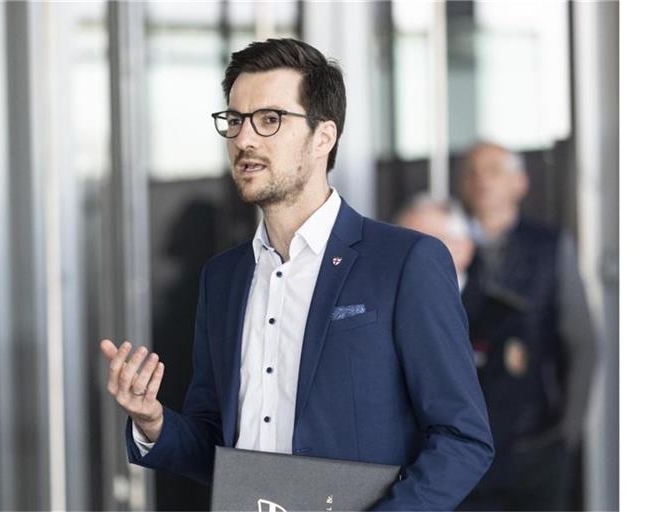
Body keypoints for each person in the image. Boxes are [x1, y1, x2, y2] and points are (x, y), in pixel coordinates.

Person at [100, 38, 494, 511]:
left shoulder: (405, 261)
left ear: (322, 137)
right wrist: (154, 423)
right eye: (236, 120)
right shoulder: (222, 279)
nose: (244, 138)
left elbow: (463, 439)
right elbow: (219, 450)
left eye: (269, 120)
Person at [457, 142, 597, 510]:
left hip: (534, 443)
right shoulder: (443, 243)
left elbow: (582, 344)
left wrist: (565, 434)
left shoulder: (550, 247)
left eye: (494, 171)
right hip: (462, 447)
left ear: (520, 183)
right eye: (472, 171)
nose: (482, 181)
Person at [394, 194, 475, 290]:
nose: (416, 251)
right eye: (407, 242)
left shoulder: (490, 302)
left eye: (431, 242)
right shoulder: (380, 299)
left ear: (463, 248)